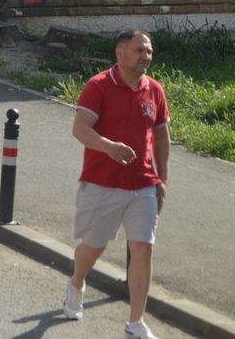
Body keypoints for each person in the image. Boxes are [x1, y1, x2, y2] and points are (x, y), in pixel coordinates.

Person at [63, 29, 170, 339]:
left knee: (143, 248)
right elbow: (80, 129)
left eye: (148, 51)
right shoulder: (98, 85)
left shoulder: (155, 90)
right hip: (102, 183)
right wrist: (109, 147)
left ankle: (135, 323)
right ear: (120, 54)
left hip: (142, 185)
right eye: (140, 51)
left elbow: (162, 137)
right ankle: (77, 282)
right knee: (93, 247)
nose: (146, 57)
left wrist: (162, 180)